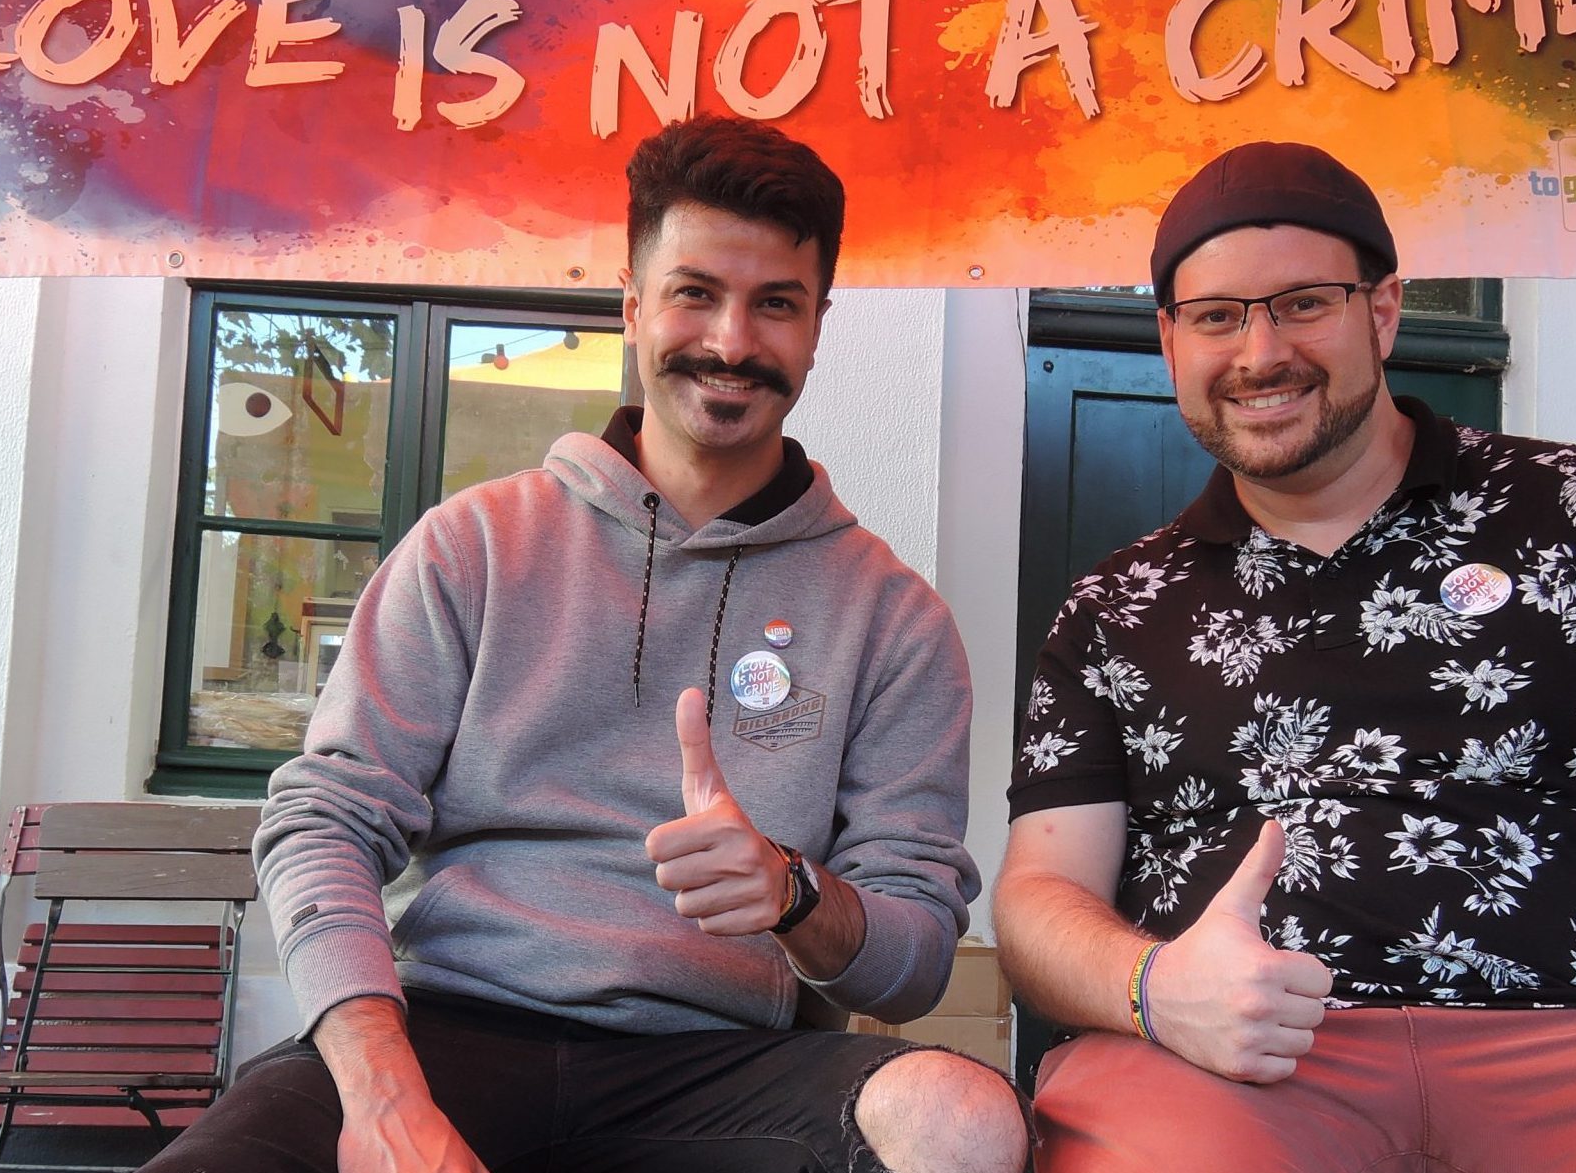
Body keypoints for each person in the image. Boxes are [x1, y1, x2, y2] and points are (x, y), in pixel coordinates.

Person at [144, 115, 1027, 1173]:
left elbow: (915, 963)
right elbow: (325, 818)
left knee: (967, 1122)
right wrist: (382, 1092)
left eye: (775, 303)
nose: (732, 342)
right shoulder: (474, 545)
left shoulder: (896, 620)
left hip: (723, 1066)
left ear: (816, 326)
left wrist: (793, 891)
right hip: (442, 1035)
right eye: (695, 292)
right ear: (632, 305)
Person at [993, 141, 1576, 1170]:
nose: (1260, 352)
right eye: (1215, 317)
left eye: (1304, 303)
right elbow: (1038, 900)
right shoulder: (1116, 606)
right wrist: (1151, 986)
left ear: (1383, 311)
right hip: (1232, 1068)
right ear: (1170, 340)